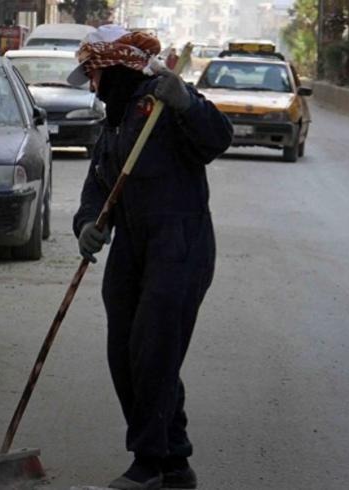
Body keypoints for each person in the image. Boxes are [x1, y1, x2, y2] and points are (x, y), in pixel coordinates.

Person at [69, 26, 233, 490]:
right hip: (132, 247)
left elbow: (219, 138)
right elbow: (98, 186)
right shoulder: (116, 122)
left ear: (115, 67)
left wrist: (189, 102)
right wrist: (87, 223)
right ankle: (175, 462)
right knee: (124, 354)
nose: (93, 87)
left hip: (179, 243)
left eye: (95, 75)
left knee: (154, 354)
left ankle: (148, 462)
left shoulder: (164, 101)